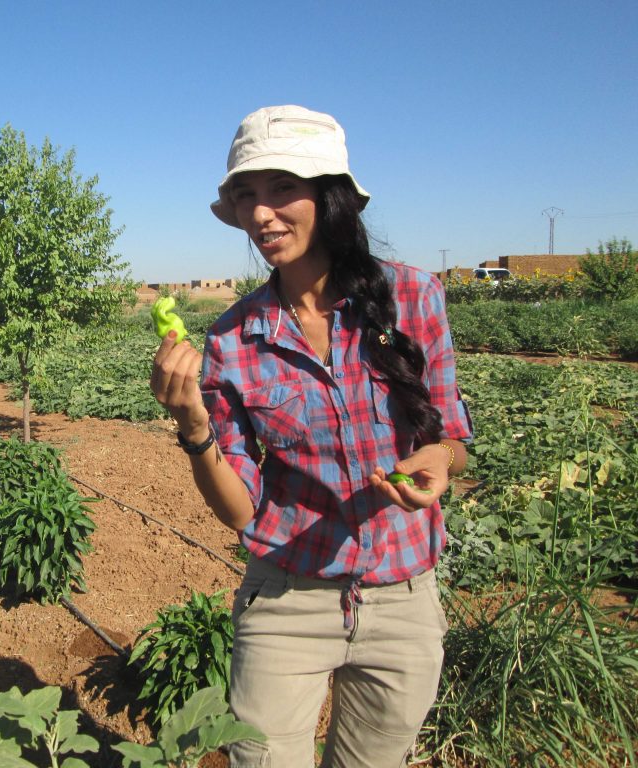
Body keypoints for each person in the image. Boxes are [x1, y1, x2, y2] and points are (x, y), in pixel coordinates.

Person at [150, 105, 473, 767]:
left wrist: (439, 458)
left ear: (329, 197)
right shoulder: (234, 340)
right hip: (286, 600)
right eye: (246, 194)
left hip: (404, 600)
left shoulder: (413, 297)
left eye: (280, 188)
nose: (261, 213)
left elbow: (452, 434)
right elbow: (242, 511)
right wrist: (194, 428)